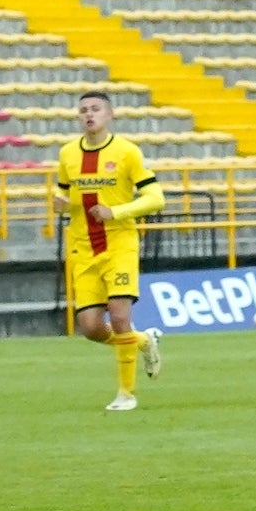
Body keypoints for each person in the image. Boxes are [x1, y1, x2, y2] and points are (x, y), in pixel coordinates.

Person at [51, 90, 165, 412]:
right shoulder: (67, 154)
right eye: (83, 109)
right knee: (89, 328)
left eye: (95, 109)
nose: (89, 114)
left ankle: (126, 395)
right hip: (83, 248)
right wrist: (60, 203)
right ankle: (143, 341)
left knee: (118, 318)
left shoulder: (127, 152)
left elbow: (156, 198)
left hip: (119, 244)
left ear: (109, 114)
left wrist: (115, 212)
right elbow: (61, 192)